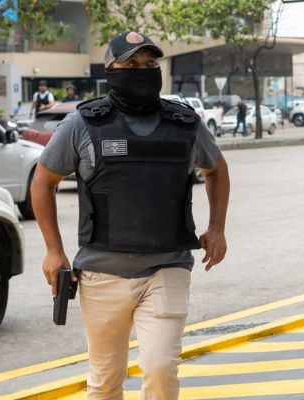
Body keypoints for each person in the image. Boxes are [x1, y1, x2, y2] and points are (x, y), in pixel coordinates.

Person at [31, 31, 230, 399]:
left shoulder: (184, 123)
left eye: (150, 64)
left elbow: (217, 169)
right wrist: (53, 250)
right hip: (101, 273)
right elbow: (43, 182)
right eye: (131, 64)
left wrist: (216, 228)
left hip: (167, 267)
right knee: (105, 381)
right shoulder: (84, 124)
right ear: (111, 70)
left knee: (160, 367)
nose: (142, 70)